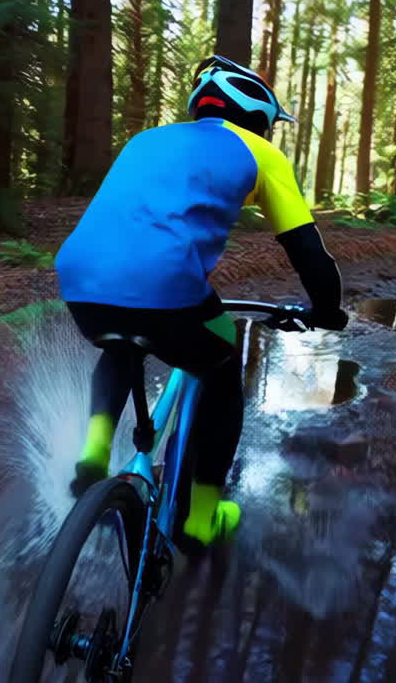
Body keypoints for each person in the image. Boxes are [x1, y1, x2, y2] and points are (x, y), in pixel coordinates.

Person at [54, 55, 349, 548]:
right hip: (167, 287)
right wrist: (326, 310)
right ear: (257, 113)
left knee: (121, 347)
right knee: (222, 363)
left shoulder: (144, 141)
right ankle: (201, 518)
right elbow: (310, 255)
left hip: (81, 281)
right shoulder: (259, 153)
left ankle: (93, 453)